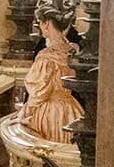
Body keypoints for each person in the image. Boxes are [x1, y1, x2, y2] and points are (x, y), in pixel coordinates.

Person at [21, 9, 85, 143]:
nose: (40, 27)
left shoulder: (46, 56)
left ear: (47, 24)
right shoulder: (73, 51)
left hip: (50, 113)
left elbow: (39, 93)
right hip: (71, 110)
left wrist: (25, 113)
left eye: (40, 23)